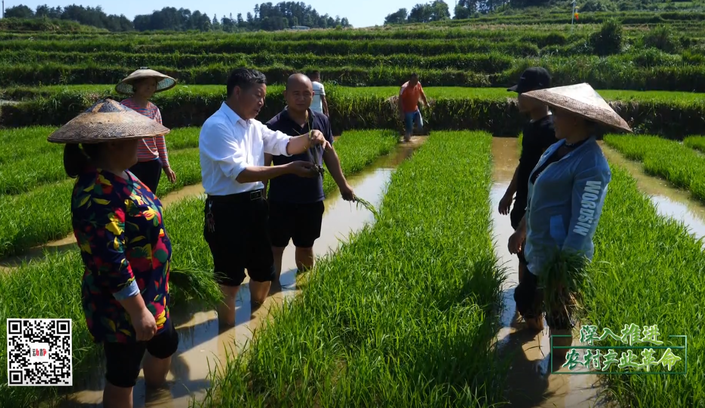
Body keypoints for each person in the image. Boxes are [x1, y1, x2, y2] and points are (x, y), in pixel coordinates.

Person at [48, 99, 178, 408]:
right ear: (111, 144)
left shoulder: (124, 174)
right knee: (123, 373)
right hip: (124, 304)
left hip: (152, 291)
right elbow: (109, 260)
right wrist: (137, 312)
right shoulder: (97, 192)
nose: (141, 143)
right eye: (133, 137)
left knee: (166, 343)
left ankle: (157, 398)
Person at [507, 82, 632, 360]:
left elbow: (583, 225)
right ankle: (533, 343)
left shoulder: (591, 165)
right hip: (536, 249)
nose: (552, 117)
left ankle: (557, 373)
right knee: (526, 301)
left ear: (576, 118)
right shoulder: (558, 147)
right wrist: (522, 229)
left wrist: (563, 273)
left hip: (558, 260)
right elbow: (539, 194)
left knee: (560, 321)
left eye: (558, 113)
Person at [199, 68, 332, 327]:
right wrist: (287, 169)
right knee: (230, 279)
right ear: (238, 92)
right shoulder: (217, 126)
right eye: (258, 96)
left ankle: (254, 321)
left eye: (264, 97)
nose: (262, 102)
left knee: (263, 271)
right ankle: (226, 333)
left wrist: (309, 138)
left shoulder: (254, 126)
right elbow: (240, 173)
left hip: (256, 206)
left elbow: (285, 144)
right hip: (227, 211)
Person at [264, 74, 355, 284]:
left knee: (306, 246)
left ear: (313, 95)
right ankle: (273, 292)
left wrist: (343, 185)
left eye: (306, 94)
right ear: (285, 95)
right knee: (276, 247)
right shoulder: (273, 125)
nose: (301, 98)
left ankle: (304, 288)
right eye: (295, 93)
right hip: (281, 200)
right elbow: (265, 163)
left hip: (311, 198)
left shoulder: (321, 120)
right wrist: (261, 197)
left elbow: (330, 155)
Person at [499, 67, 557, 296]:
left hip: (536, 210)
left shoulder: (551, 130)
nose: (518, 97)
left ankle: (532, 314)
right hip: (523, 205)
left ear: (539, 94)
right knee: (523, 256)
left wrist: (525, 225)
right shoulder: (532, 126)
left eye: (522, 92)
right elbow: (525, 164)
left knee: (534, 261)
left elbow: (549, 182)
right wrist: (509, 193)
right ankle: (525, 308)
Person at [117, 67, 177, 195]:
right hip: (131, 162)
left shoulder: (154, 110)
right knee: (130, 198)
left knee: (149, 198)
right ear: (136, 85)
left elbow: (160, 139)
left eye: (153, 85)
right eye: (146, 84)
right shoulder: (124, 107)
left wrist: (166, 165)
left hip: (152, 163)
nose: (150, 87)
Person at [398, 73, 429, 142]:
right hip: (407, 111)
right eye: (414, 81)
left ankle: (410, 131)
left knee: (420, 126)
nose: (415, 83)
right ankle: (406, 141)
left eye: (417, 81)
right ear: (410, 80)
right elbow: (400, 101)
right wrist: (401, 112)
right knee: (409, 132)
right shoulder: (404, 88)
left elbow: (422, 93)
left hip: (415, 109)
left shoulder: (418, 84)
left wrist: (426, 103)